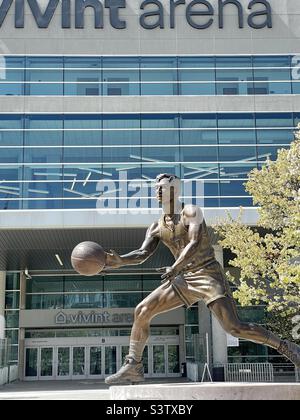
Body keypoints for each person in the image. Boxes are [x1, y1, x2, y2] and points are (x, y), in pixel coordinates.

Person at [104, 174, 300, 385]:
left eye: (163, 188)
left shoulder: (191, 212)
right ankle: (133, 366)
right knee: (142, 310)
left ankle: (285, 346)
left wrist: (175, 267)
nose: (158, 191)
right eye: (156, 188)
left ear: (175, 190)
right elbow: (142, 253)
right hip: (184, 279)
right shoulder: (155, 226)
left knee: (233, 327)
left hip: (207, 274)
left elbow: (195, 242)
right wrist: (120, 261)